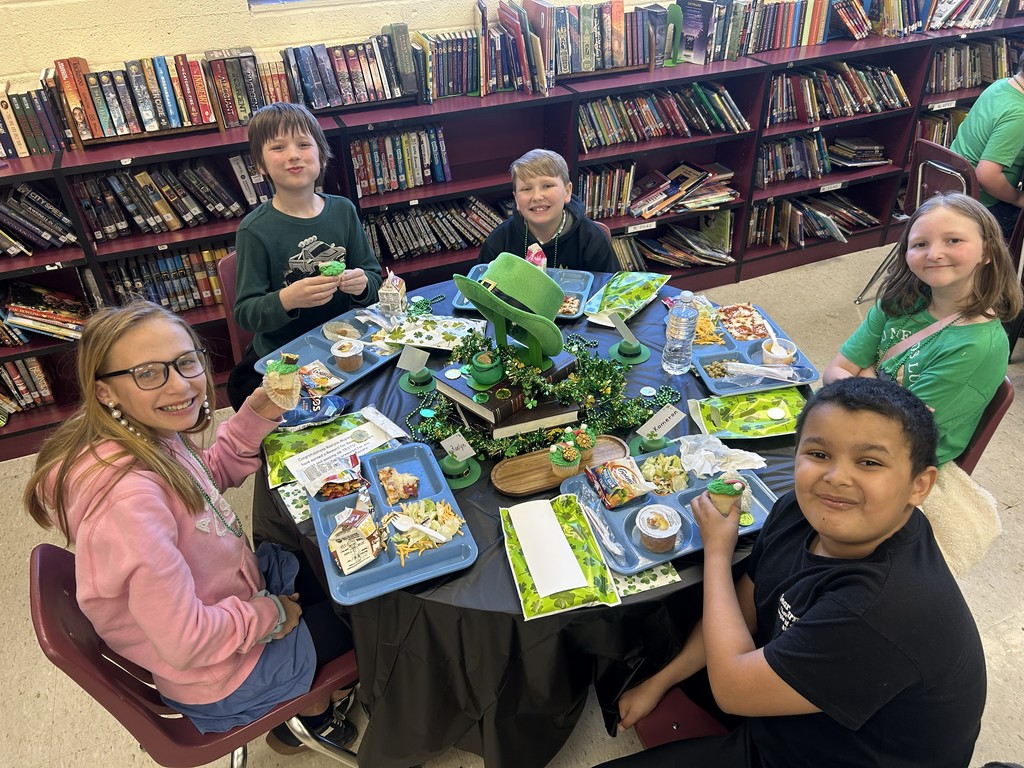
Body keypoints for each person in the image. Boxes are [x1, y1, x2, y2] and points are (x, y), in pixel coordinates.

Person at [600, 377, 986, 768]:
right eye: (819, 454)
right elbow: (746, 605)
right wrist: (661, 680)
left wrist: (719, 550)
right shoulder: (798, 511)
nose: (836, 477)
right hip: (798, 705)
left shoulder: (880, 610)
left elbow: (732, 690)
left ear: (919, 485)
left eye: (869, 462)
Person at [24, 302, 356, 754]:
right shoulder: (128, 503)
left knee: (335, 568)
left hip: (225, 607)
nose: (181, 386)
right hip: (221, 673)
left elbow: (199, 486)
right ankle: (315, 714)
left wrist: (255, 414)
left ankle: (309, 699)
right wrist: (270, 615)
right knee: (372, 621)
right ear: (105, 392)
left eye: (186, 362)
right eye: (148, 373)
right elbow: (186, 641)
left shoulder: (138, 434)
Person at [824, 192, 1022, 466]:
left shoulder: (977, 346)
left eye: (953, 240)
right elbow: (834, 372)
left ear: (987, 252)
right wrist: (882, 398)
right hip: (857, 434)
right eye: (920, 243)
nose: (935, 254)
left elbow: (898, 433)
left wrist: (863, 377)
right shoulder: (897, 302)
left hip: (901, 461)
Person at [228, 102, 382, 410]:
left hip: (344, 343)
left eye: (303, 144)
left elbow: (374, 277)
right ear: (260, 164)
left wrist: (362, 284)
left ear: (321, 155)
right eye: (278, 147)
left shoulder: (343, 210)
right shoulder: (255, 230)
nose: (293, 155)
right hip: (285, 353)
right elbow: (245, 312)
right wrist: (287, 298)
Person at [477, 148, 619, 272]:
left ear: (567, 192)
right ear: (516, 199)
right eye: (526, 189)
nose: (537, 197)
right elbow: (483, 291)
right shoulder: (499, 241)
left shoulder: (592, 239)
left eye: (547, 186)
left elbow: (609, 291)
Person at [948, 59, 1024, 238]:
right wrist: (1017, 198)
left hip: (951, 184)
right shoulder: (1020, 115)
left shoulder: (1002, 84)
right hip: (982, 203)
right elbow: (987, 176)